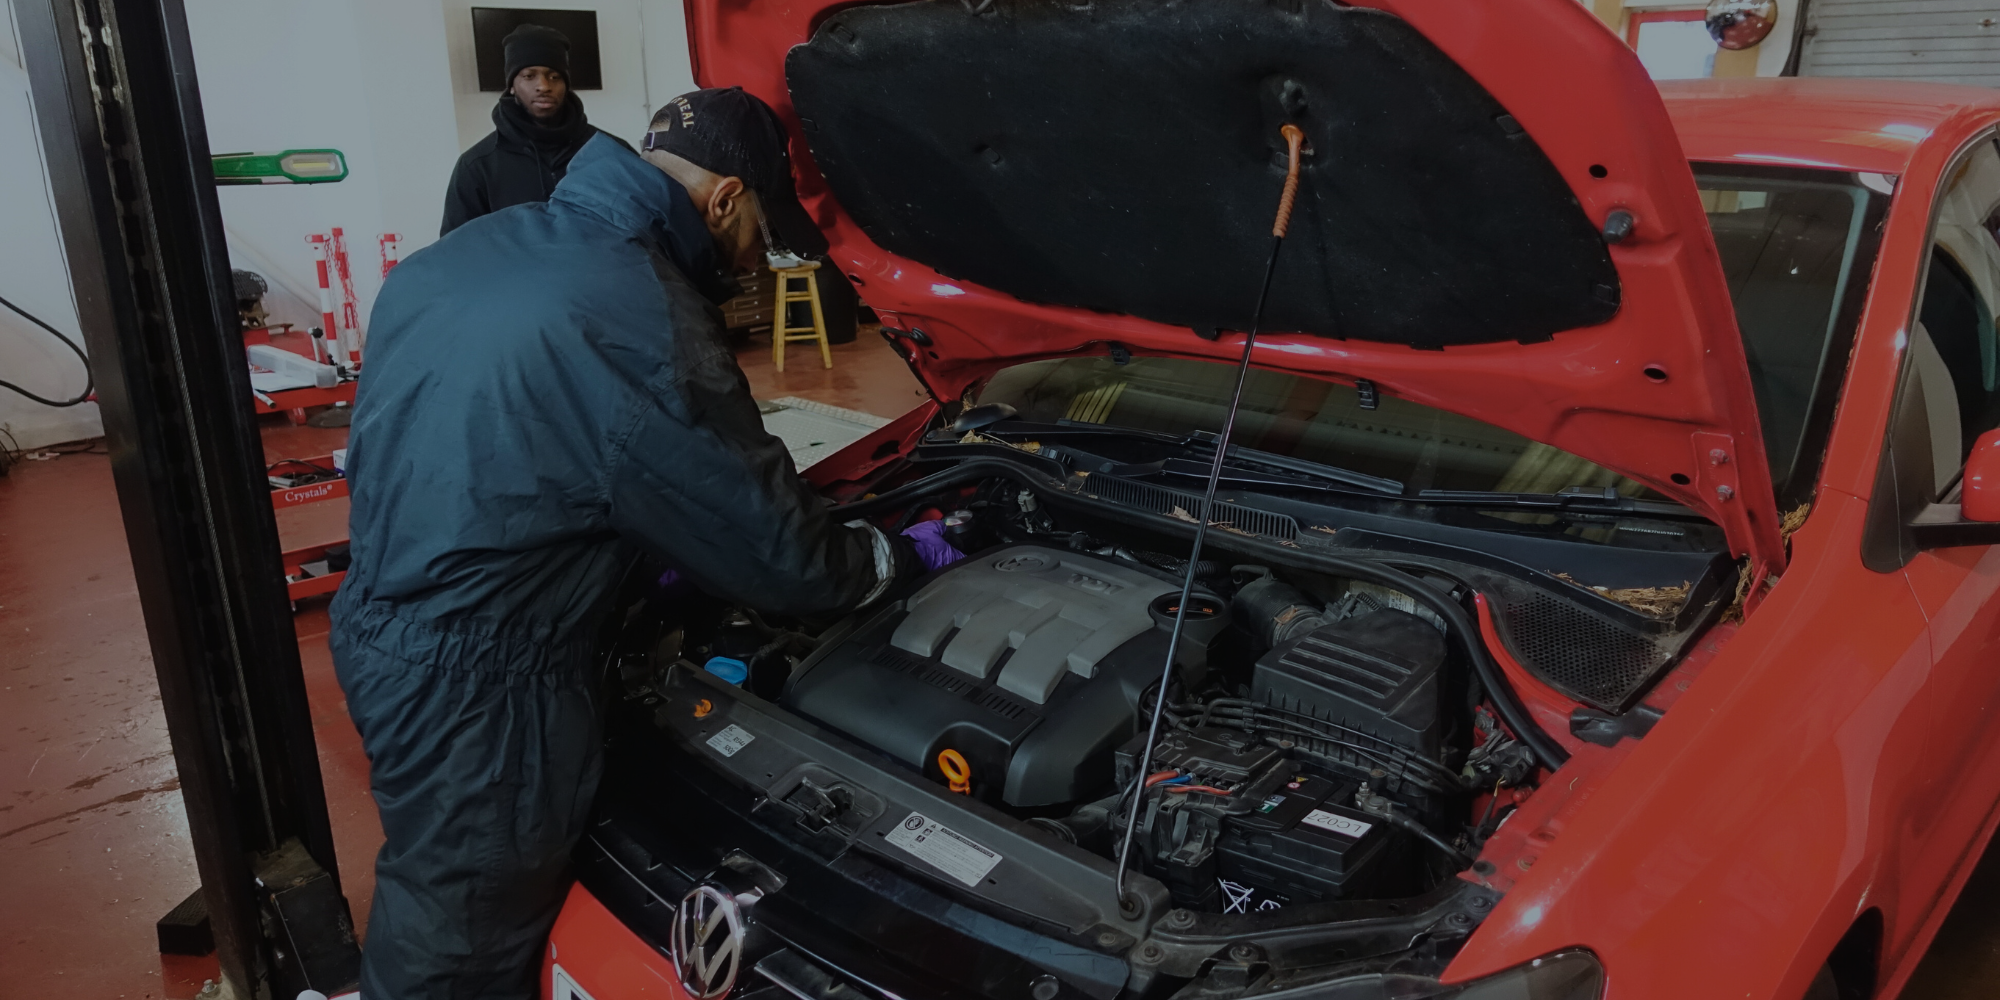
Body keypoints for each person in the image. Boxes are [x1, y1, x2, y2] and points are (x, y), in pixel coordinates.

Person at [331, 87, 961, 998]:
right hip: (487, 685)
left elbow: (514, 448)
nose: (753, 264)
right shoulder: (641, 308)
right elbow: (780, 557)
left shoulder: (474, 250)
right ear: (725, 201)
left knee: (449, 893)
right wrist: (889, 559)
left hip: (388, 620)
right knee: (454, 941)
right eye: (759, 236)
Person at [440, 23, 624, 235]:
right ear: (511, 85)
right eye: (529, 76)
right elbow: (456, 251)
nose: (544, 86)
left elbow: (649, 234)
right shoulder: (478, 165)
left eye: (554, 76)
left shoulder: (612, 153)